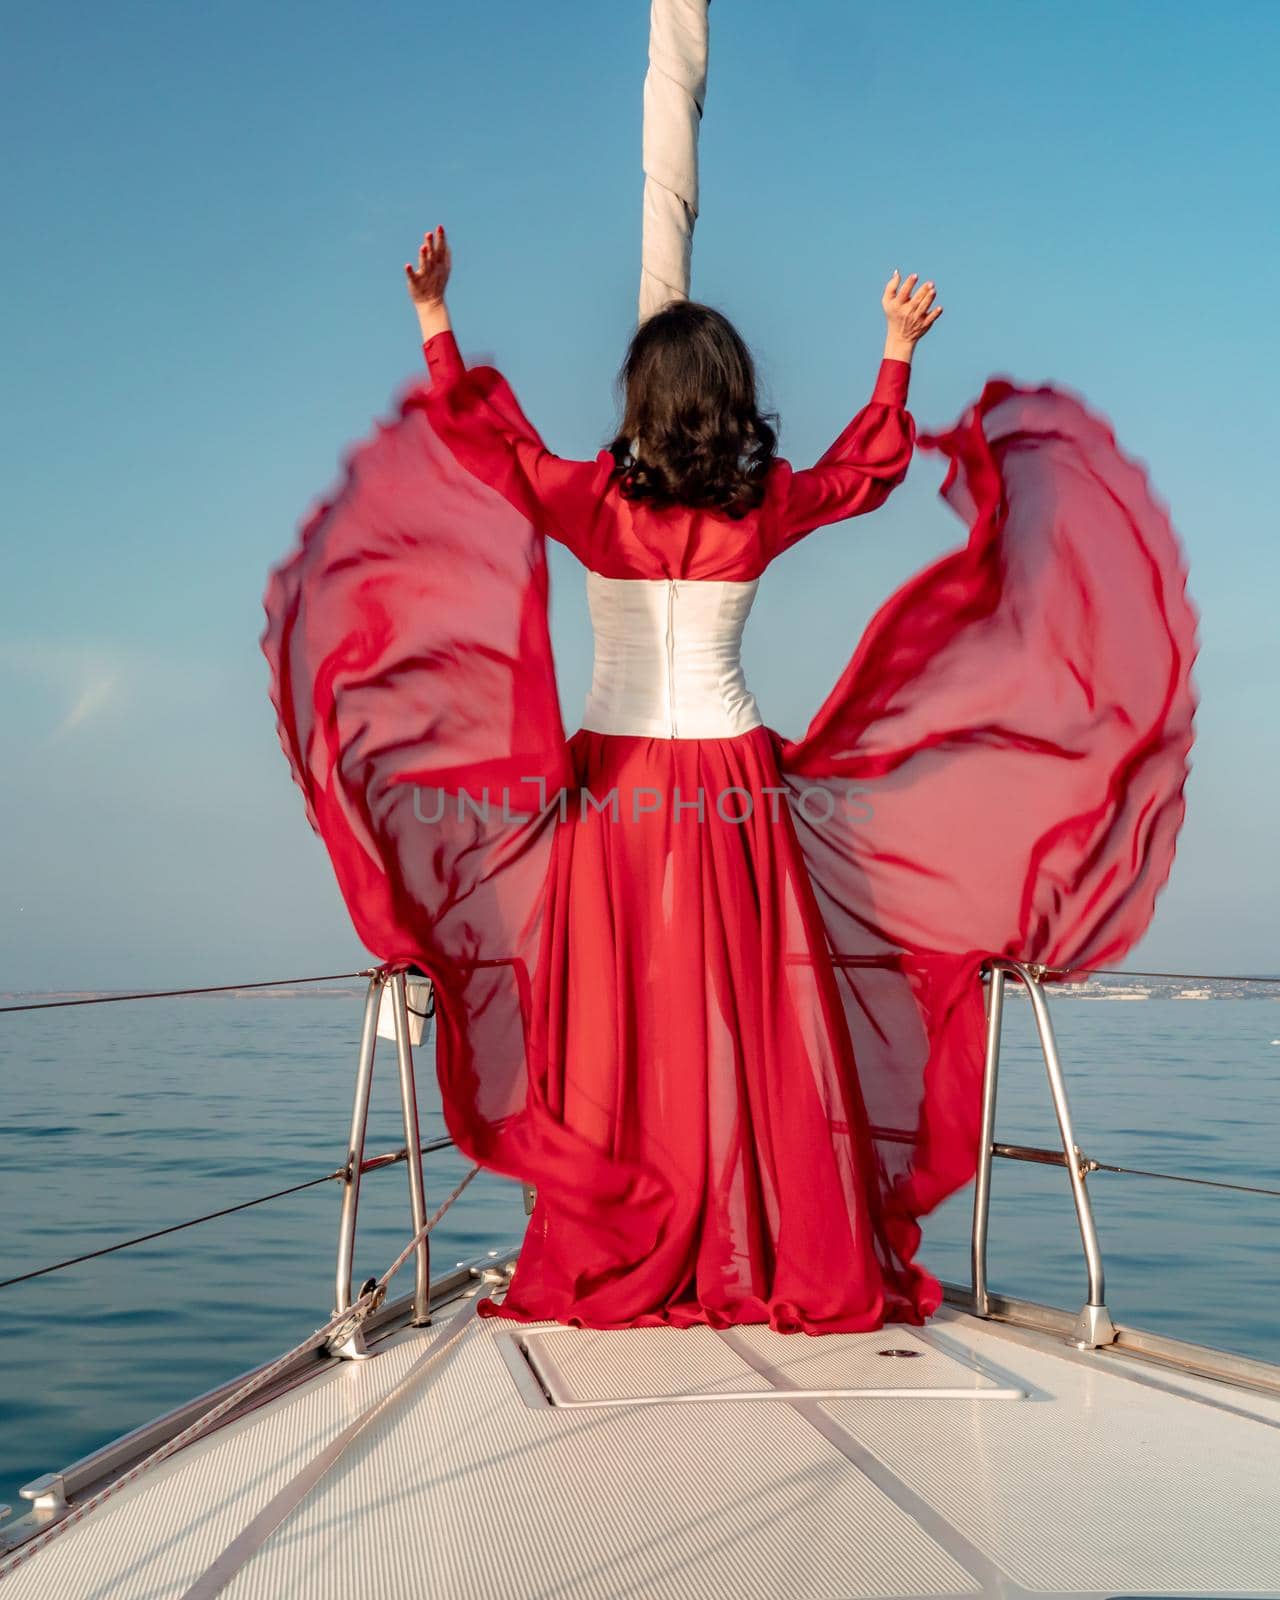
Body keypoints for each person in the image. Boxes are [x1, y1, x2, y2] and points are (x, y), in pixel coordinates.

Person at [262, 227, 1198, 1334]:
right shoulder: (761, 509)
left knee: (617, 1021)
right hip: (733, 789)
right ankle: (763, 1240)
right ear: (729, 398)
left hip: (617, 792)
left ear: (643, 399)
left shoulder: (586, 501)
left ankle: (627, 1237)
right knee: (750, 1020)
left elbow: (488, 442)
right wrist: (894, 352)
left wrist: (434, 318)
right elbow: (866, 473)